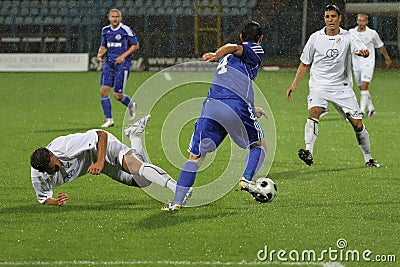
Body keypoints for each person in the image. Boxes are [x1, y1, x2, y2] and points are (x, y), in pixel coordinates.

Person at [162, 21, 269, 211]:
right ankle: (246, 178)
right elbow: (233, 47)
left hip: (212, 105)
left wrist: (253, 108)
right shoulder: (254, 49)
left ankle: (177, 201)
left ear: (242, 35)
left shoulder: (228, 60)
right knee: (258, 144)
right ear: (259, 39)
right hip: (235, 105)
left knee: (195, 157)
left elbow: (237, 82)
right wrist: (215, 54)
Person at [286, 5, 380, 168]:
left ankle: (368, 158)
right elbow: (304, 63)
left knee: (357, 124)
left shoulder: (348, 36)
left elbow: (362, 48)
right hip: (319, 86)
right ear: (324, 19)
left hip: (342, 88)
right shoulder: (315, 38)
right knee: (313, 112)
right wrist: (294, 85)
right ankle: (308, 151)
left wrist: (363, 52)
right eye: (327, 17)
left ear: (339, 18)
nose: (330, 20)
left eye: (333, 16)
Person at [30, 115, 187, 206]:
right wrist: (56, 202)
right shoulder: (38, 177)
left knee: (134, 166)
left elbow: (100, 135)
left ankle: (179, 190)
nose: (58, 166)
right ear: (43, 171)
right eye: (53, 169)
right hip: (98, 165)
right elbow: (43, 198)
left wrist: (100, 161)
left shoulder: (64, 146)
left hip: (100, 148)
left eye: (56, 162)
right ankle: (134, 136)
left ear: (52, 154)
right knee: (143, 182)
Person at [97, 8, 139, 128]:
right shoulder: (105, 30)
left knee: (117, 95)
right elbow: (104, 45)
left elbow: (135, 45)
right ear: (109, 18)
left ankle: (131, 105)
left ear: (120, 18)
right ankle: (109, 119)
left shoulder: (125, 30)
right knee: (104, 91)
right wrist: (100, 54)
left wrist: (123, 56)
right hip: (109, 65)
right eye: (113, 17)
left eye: (117, 17)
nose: (115, 19)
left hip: (122, 66)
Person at [349, 13, 392, 117]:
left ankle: (361, 111)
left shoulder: (372, 33)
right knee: (362, 88)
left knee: (364, 86)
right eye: (359, 20)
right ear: (357, 21)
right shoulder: (351, 32)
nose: (361, 23)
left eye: (363, 21)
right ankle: (371, 108)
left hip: (368, 63)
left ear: (367, 22)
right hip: (356, 63)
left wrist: (387, 58)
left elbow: (380, 46)